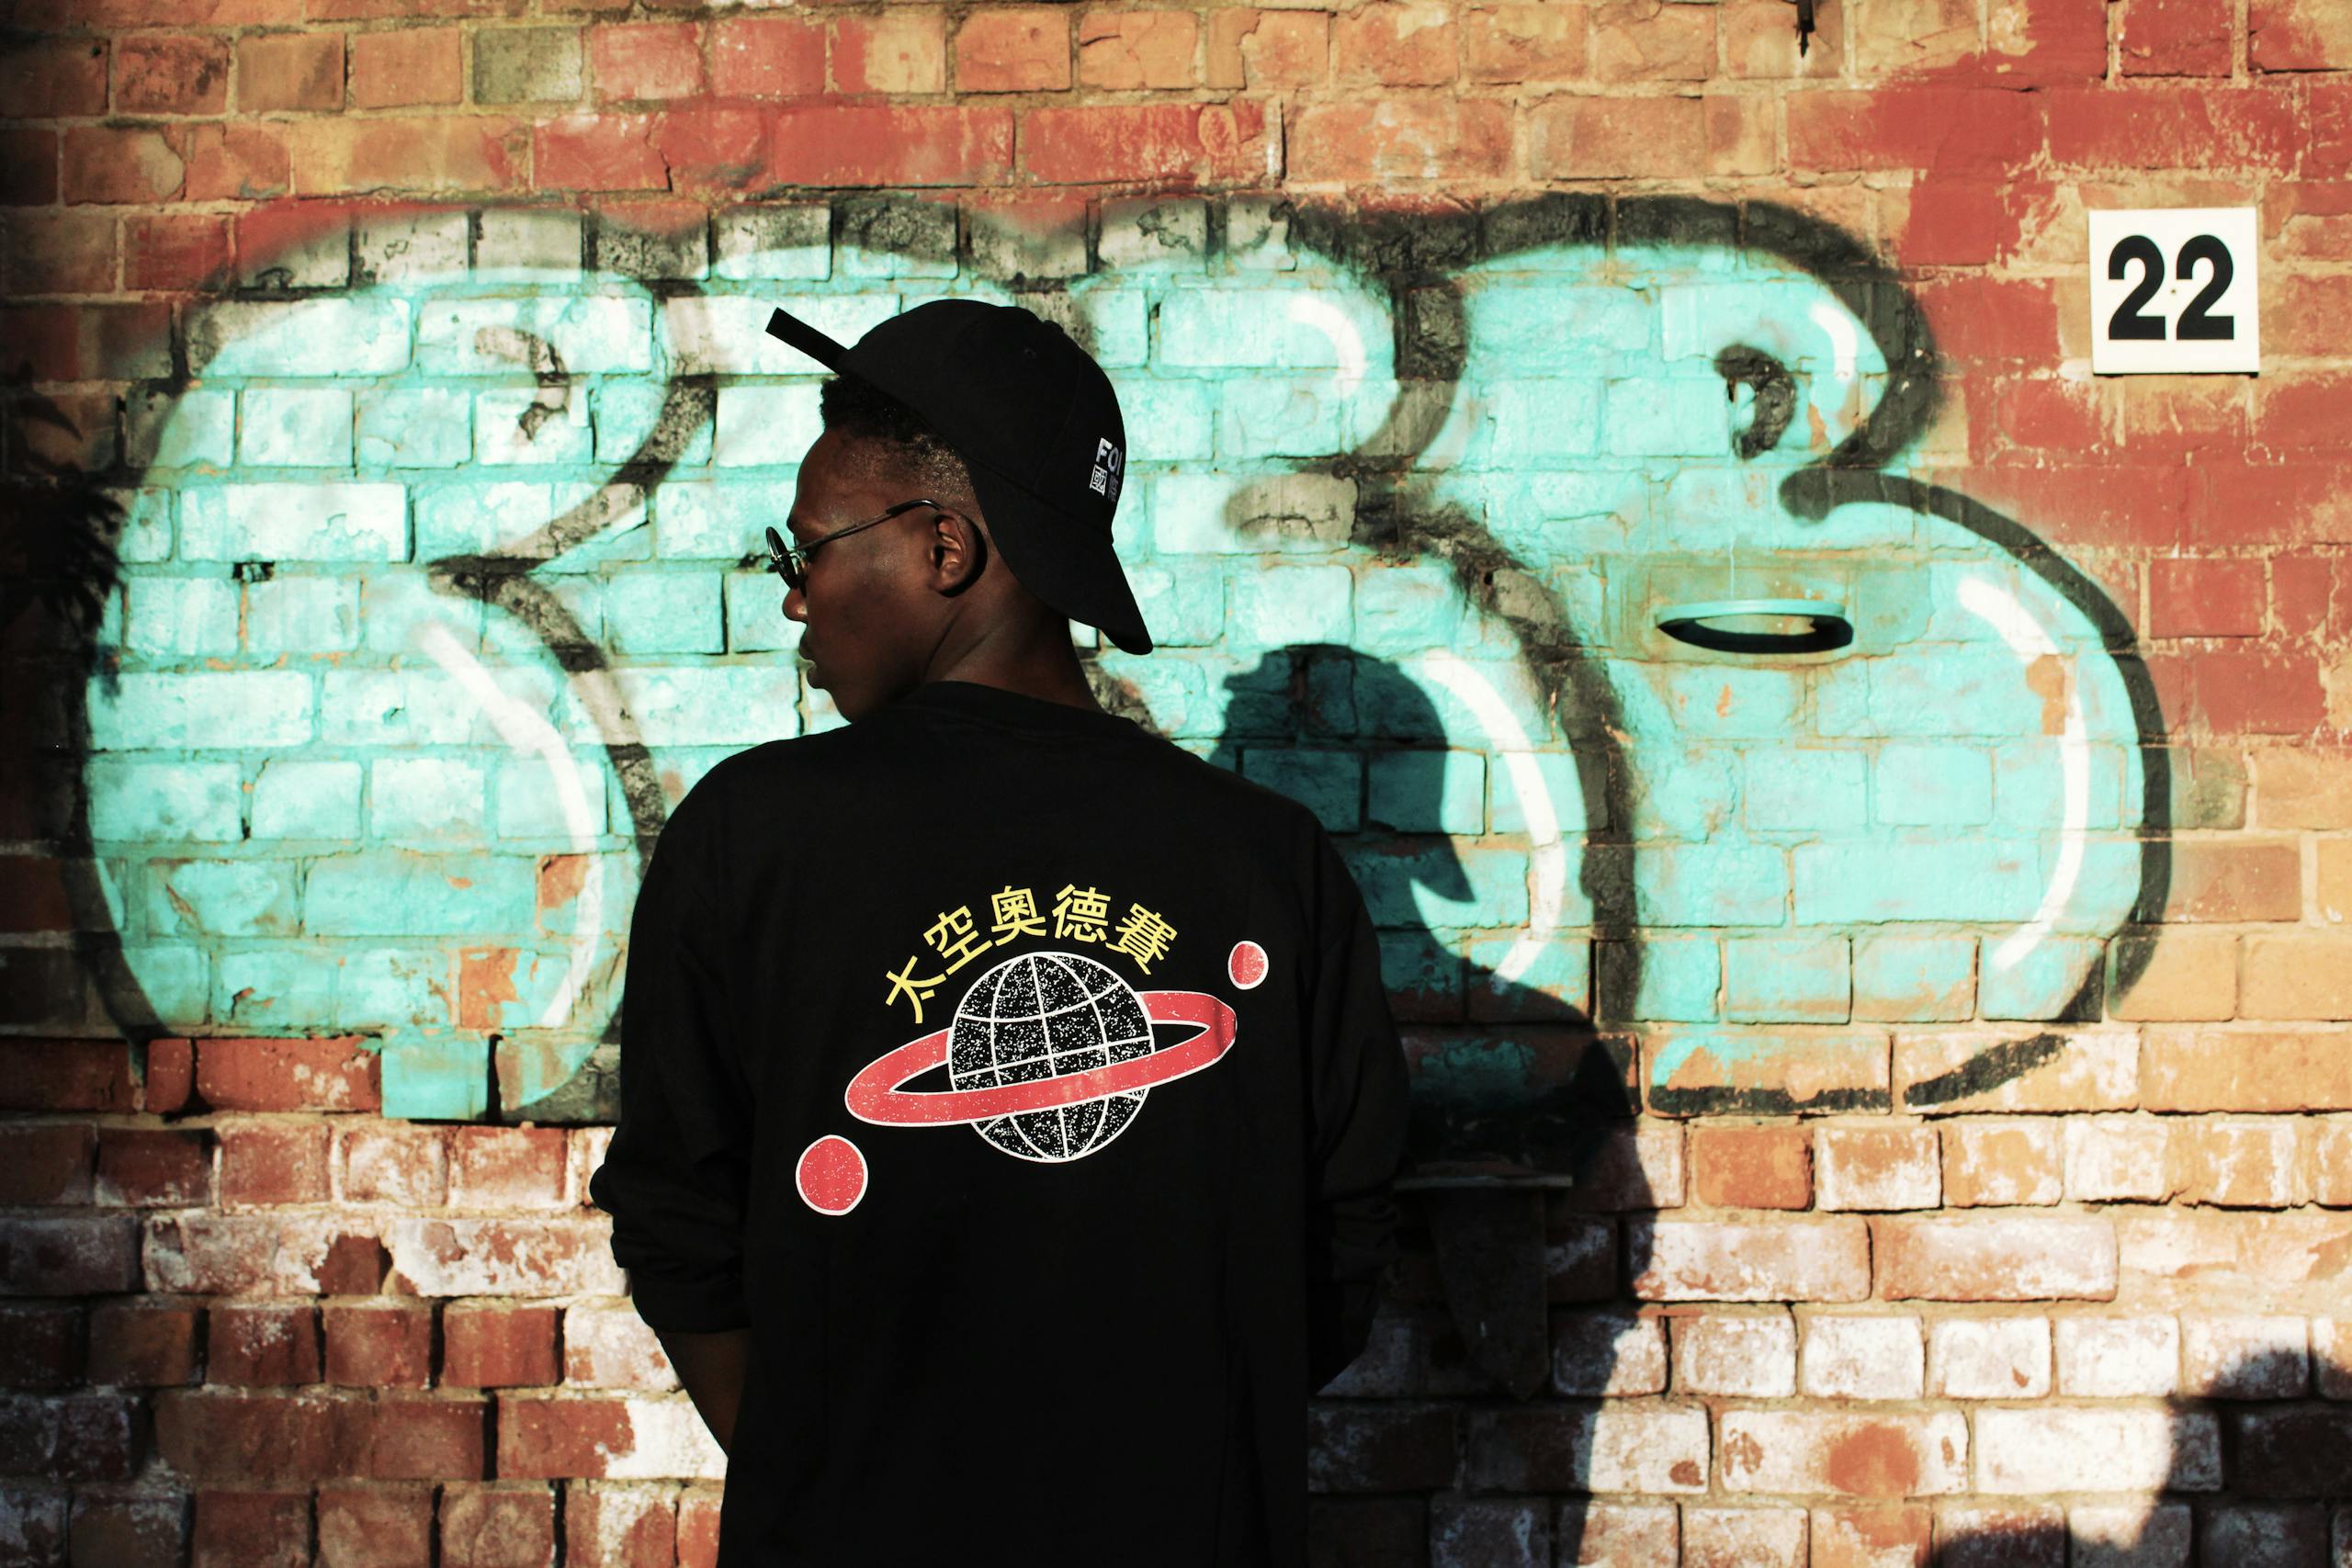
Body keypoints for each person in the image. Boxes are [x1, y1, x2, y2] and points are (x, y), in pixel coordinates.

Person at [588, 297, 1412, 1567]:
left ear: (945, 548)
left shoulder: (754, 836)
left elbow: (673, 1224)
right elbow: (1340, 1248)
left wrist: (833, 1467)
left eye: (803, 550)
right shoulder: (1269, 862)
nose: (797, 598)